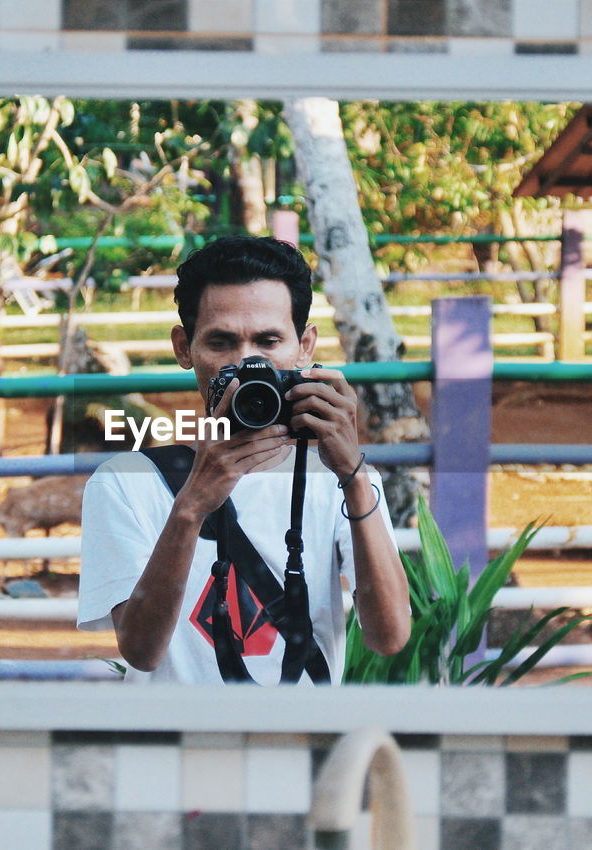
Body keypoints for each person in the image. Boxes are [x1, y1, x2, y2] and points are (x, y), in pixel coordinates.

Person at [77, 236, 410, 684]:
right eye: (221, 342)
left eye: (268, 340)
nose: (246, 364)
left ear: (305, 346)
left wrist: (352, 475)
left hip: (300, 748)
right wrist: (191, 506)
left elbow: (389, 637)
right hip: (179, 748)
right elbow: (140, 650)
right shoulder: (126, 482)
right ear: (184, 348)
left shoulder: (337, 479)